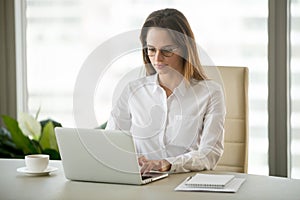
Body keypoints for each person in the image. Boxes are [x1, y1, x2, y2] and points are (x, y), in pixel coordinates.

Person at [106, 8, 226, 174]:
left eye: (167, 50)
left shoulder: (210, 93)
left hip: (186, 185)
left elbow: (209, 154)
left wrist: (168, 164)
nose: (157, 59)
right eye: (151, 50)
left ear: (185, 49)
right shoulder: (132, 91)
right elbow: (110, 142)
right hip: (140, 184)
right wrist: (129, 159)